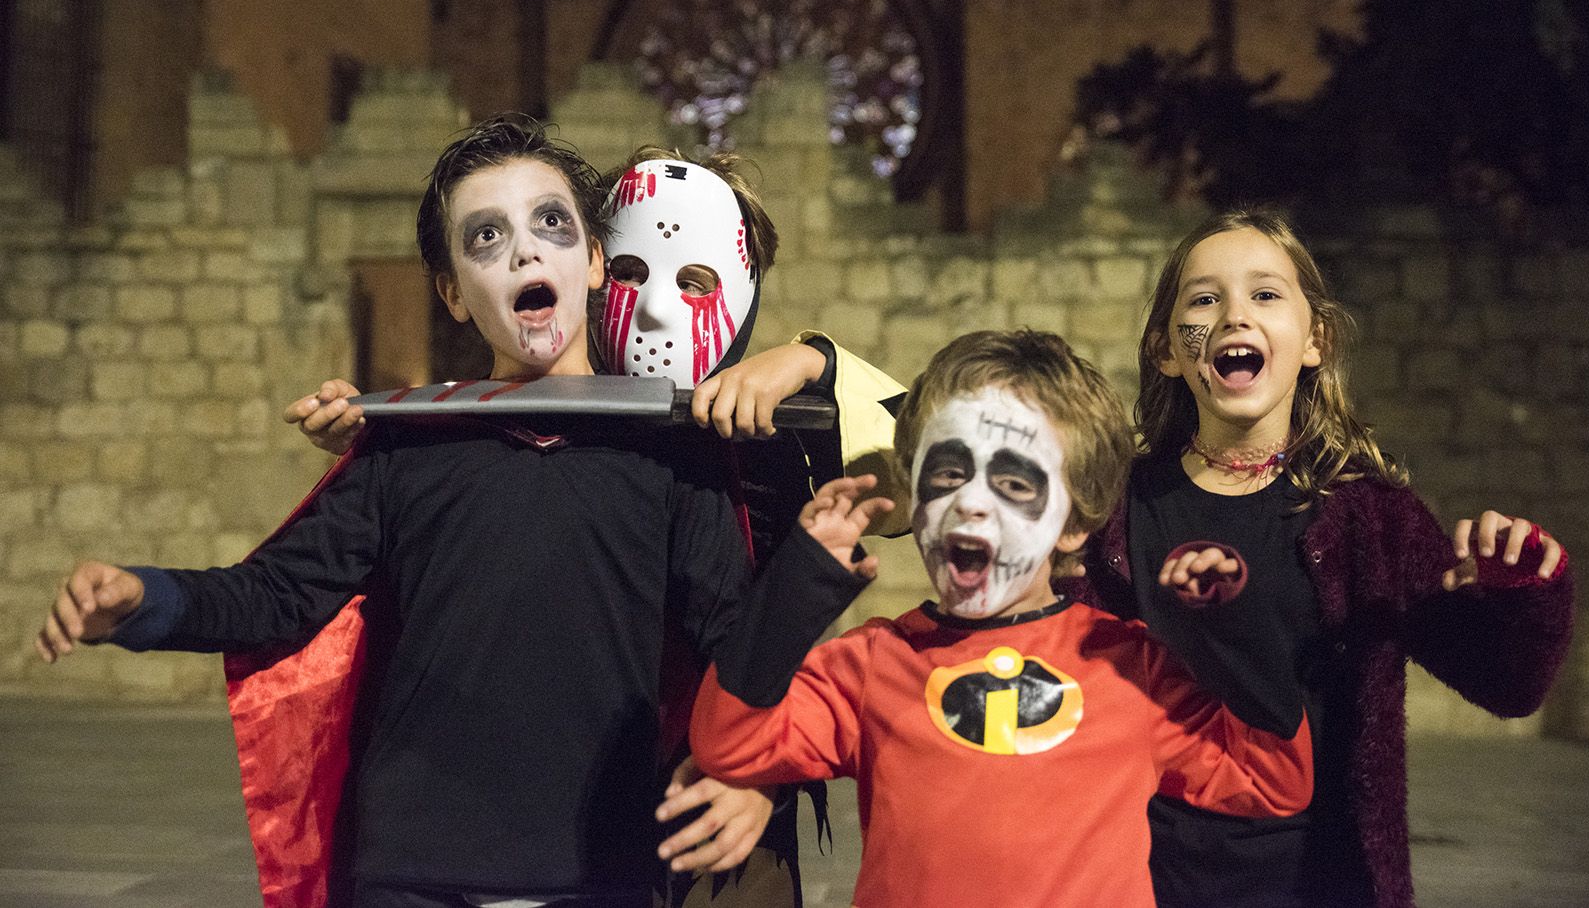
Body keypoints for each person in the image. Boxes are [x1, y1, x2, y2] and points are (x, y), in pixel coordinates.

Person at [36, 115, 756, 908]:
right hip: (411, 871)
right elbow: (275, 596)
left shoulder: (671, 456)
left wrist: (760, 779)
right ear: (451, 291)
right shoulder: (404, 450)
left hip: (600, 870)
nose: (523, 251)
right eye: (485, 237)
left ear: (592, 260)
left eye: (551, 223)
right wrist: (144, 601)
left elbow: (740, 642)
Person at [283, 147, 909, 908]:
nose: (652, 312)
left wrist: (815, 362)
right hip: (597, 801)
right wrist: (379, 439)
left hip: (733, 783)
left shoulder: (774, 422)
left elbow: (921, 471)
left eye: (695, 283)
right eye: (633, 275)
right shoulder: (589, 419)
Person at [687, 329, 1317, 907]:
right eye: (949, 472)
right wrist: (795, 590)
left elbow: (1272, 780)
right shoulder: (873, 664)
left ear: (1074, 523)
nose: (971, 503)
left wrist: (1234, 632)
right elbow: (731, 743)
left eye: (1014, 483)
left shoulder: (1131, 669)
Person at [1059, 208, 1575, 908]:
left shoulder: (1370, 515)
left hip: (1315, 882)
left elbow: (1507, 684)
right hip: (1136, 878)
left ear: (1315, 340)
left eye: (1266, 294)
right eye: (1205, 299)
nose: (1235, 313)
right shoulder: (1114, 506)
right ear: (1166, 350)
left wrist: (1524, 592)